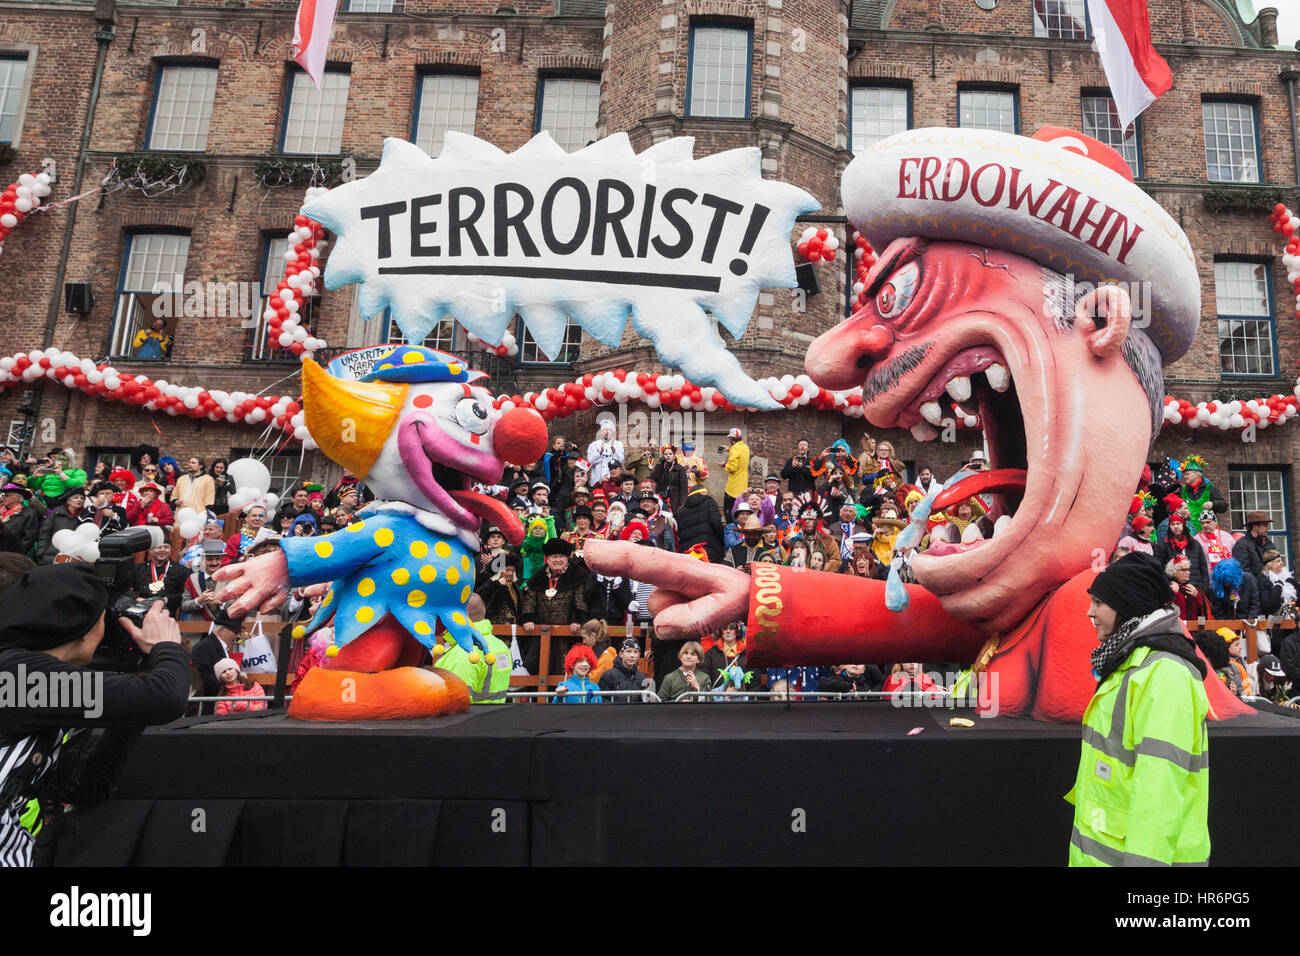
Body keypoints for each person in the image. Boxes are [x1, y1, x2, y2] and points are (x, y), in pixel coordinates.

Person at [0, 565, 189, 866]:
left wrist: (135, 694)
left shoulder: (32, 688)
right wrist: (166, 647)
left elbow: (86, 787)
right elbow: (166, 697)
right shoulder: (16, 676)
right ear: (82, 627)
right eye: (105, 616)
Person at [1067, 551, 1210, 866]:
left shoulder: (1165, 674)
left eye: (1099, 603)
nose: (1089, 612)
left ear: (1126, 605)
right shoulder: (1128, 663)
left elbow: (1158, 793)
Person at [519, 537, 588, 675]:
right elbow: (530, 600)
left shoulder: (577, 576)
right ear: (548, 559)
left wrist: (577, 620)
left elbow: (581, 601)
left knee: (565, 670)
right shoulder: (538, 577)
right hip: (542, 633)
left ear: (567, 558)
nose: (557, 560)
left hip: (568, 633)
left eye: (561, 556)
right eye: (554, 556)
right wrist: (527, 618)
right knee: (542, 669)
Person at [132, 540, 190, 616]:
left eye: (166, 547)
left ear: (170, 549)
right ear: (151, 550)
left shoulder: (181, 570)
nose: (162, 550)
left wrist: (166, 600)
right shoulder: (138, 569)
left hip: (167, 615)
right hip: (140, 611)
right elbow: (125, 590)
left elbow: (185, 595)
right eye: (159, 547)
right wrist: (138, 599)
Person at [676, 483, 725, 564]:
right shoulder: (709, 503)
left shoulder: (682, 510)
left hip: (688, 552)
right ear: (702, 493)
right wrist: (721, 543)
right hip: (707, 549)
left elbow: (680, 533)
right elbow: (716, 524)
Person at [474, 549, 523, 625]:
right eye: (507, 570)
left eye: (513, 570)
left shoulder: (515, 588)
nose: (510, 573)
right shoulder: (491, 583)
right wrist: (497, 585)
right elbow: (482, 597)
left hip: (513, 630)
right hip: (495, 628)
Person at [598, 638, 651, 703]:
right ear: (621, 654)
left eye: (635, 652)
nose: (632, 655)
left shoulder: (641, 677)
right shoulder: (608, 675)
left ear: (638, 656)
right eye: (628, 651)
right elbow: (601, 699)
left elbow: (644, 701)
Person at [1167, 556, 1209, 622]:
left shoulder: (1192, 589)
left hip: (1193, 629)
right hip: (1177, 629)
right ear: (1174, 572)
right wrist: (1175, 593)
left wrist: (1197, 596)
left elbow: (1202, 611)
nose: (1188, 573)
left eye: (1188, 569)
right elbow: (1168, 612)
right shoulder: (1169, 588)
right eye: (1183, 570)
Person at [1231, 510, 1272, 577]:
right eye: (1265, 525)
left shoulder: (1268, 543)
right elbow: (1244, 573)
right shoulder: (1241, 545)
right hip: (1253, 586)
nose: (1268, 528)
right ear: (1255, 527)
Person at [0, 482, 37, 555]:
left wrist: (16, 554)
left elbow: (28, 538)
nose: (3, 497)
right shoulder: (1, 510)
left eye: (7, 495)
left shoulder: (29, 513)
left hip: (12, 554)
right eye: (3, 495)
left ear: (18, 497)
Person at [650, 445, 688, 515]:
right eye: (666, 454)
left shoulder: (680, 469)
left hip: (675, 500)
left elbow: (684, 488)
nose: (668, 456)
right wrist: (659, 466)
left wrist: (682, 503)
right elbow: (654, 479)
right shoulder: (660, 467)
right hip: (662, 498)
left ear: (674, 455)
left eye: (670, 454)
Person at [586, 421, 625, 486]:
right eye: (605, 430)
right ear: (601, 432)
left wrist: (614, 450)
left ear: (612, 432)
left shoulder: (618, 444)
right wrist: (600, 453)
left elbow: (620, 460)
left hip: (613, 480)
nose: (607, 432)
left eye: (609, 430)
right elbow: (589, 462)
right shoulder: (593, 445)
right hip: (597, 480)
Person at [720, 428, 749, 513]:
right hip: (743, 483)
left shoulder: (734, 449)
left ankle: (730, 526)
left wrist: (725, 465)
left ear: (731, 439)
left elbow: (732, 468)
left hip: (733, 486)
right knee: (740, 508)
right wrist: (729, 449)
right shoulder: (745, 447)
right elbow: (740, 454)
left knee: (729, 509)